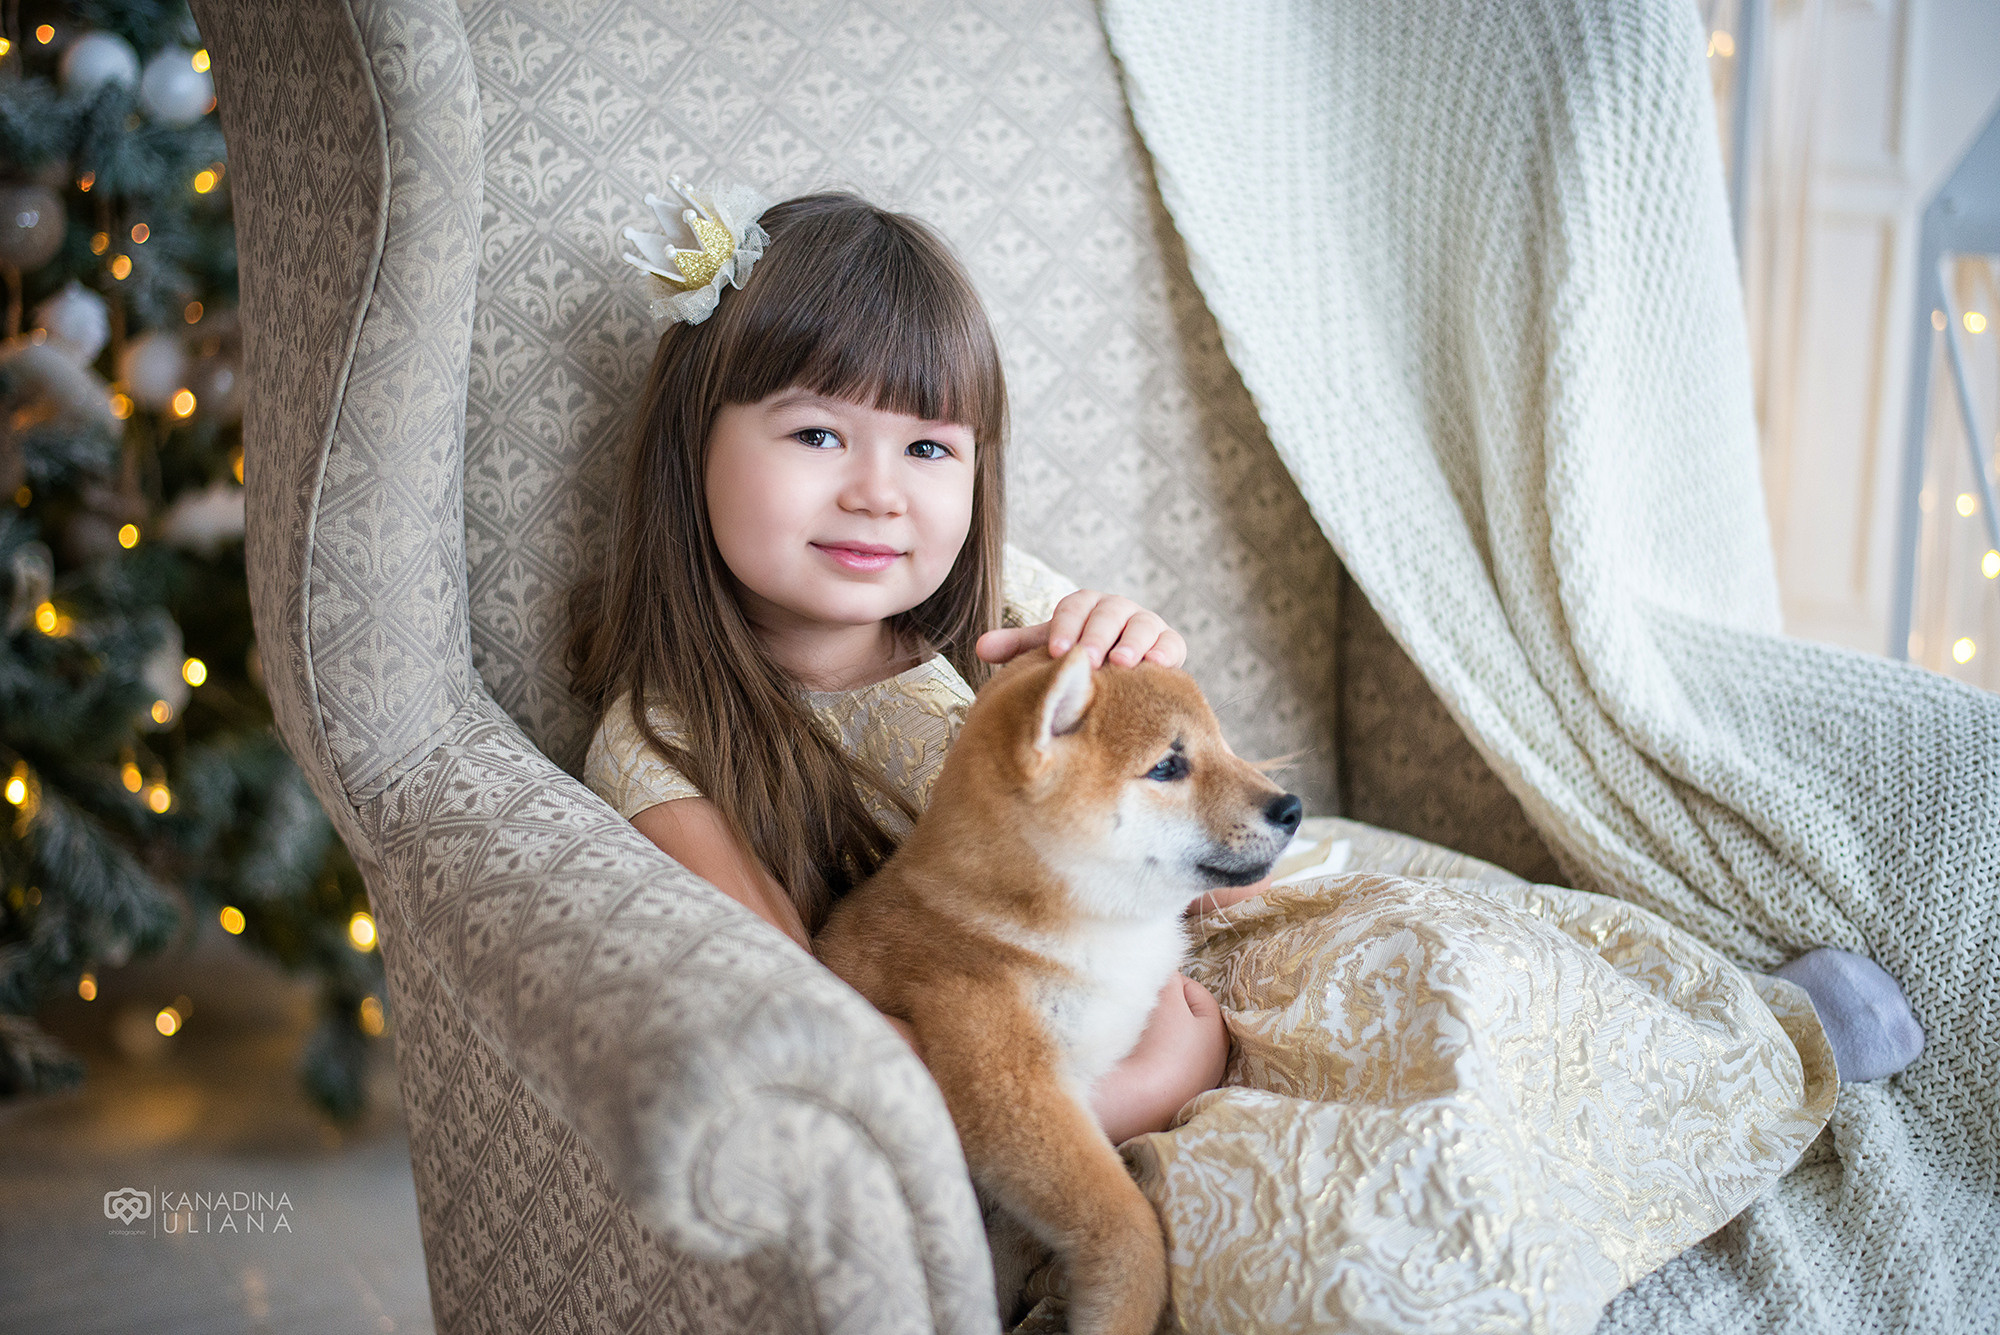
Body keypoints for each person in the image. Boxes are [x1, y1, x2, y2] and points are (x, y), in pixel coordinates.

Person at [567, 183, 1231, 1143]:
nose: (879, 494)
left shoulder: (1010, 619)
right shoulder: (665, 753)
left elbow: (1231, 880)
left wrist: (1159, 704)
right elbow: (829, 1063)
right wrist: (1156, 1083)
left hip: (1196, 981)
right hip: (1059, 1113)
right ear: (691, 443)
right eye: (819, 434)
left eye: (927, 445)